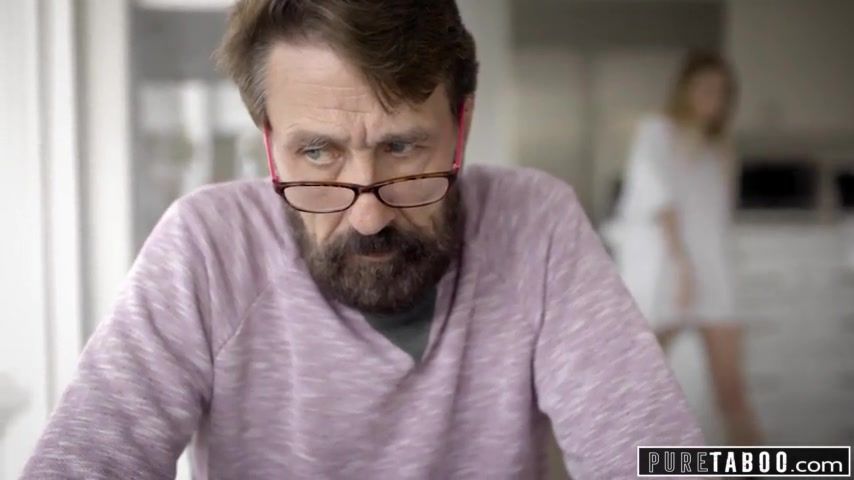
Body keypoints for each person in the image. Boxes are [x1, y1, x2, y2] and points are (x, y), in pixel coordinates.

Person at [23, 1, 703, 478]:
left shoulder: (535, 224)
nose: (369, 216)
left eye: (402, 148)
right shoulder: (208, 247)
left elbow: (656, 457)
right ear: (270, 145)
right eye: (317, 154)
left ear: (461, 128)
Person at [614, 51, 763, 446]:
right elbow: (659, 199)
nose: (713, 99)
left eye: (722, 92)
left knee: (732, 392)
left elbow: (718, 218)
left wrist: (714, 268)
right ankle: (623, 463)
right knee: (639, 382)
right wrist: (681, 267)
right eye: (705, 88)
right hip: (668, 267)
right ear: (685, 89)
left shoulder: (721, 148)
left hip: (714, 269)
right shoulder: (656, 131)